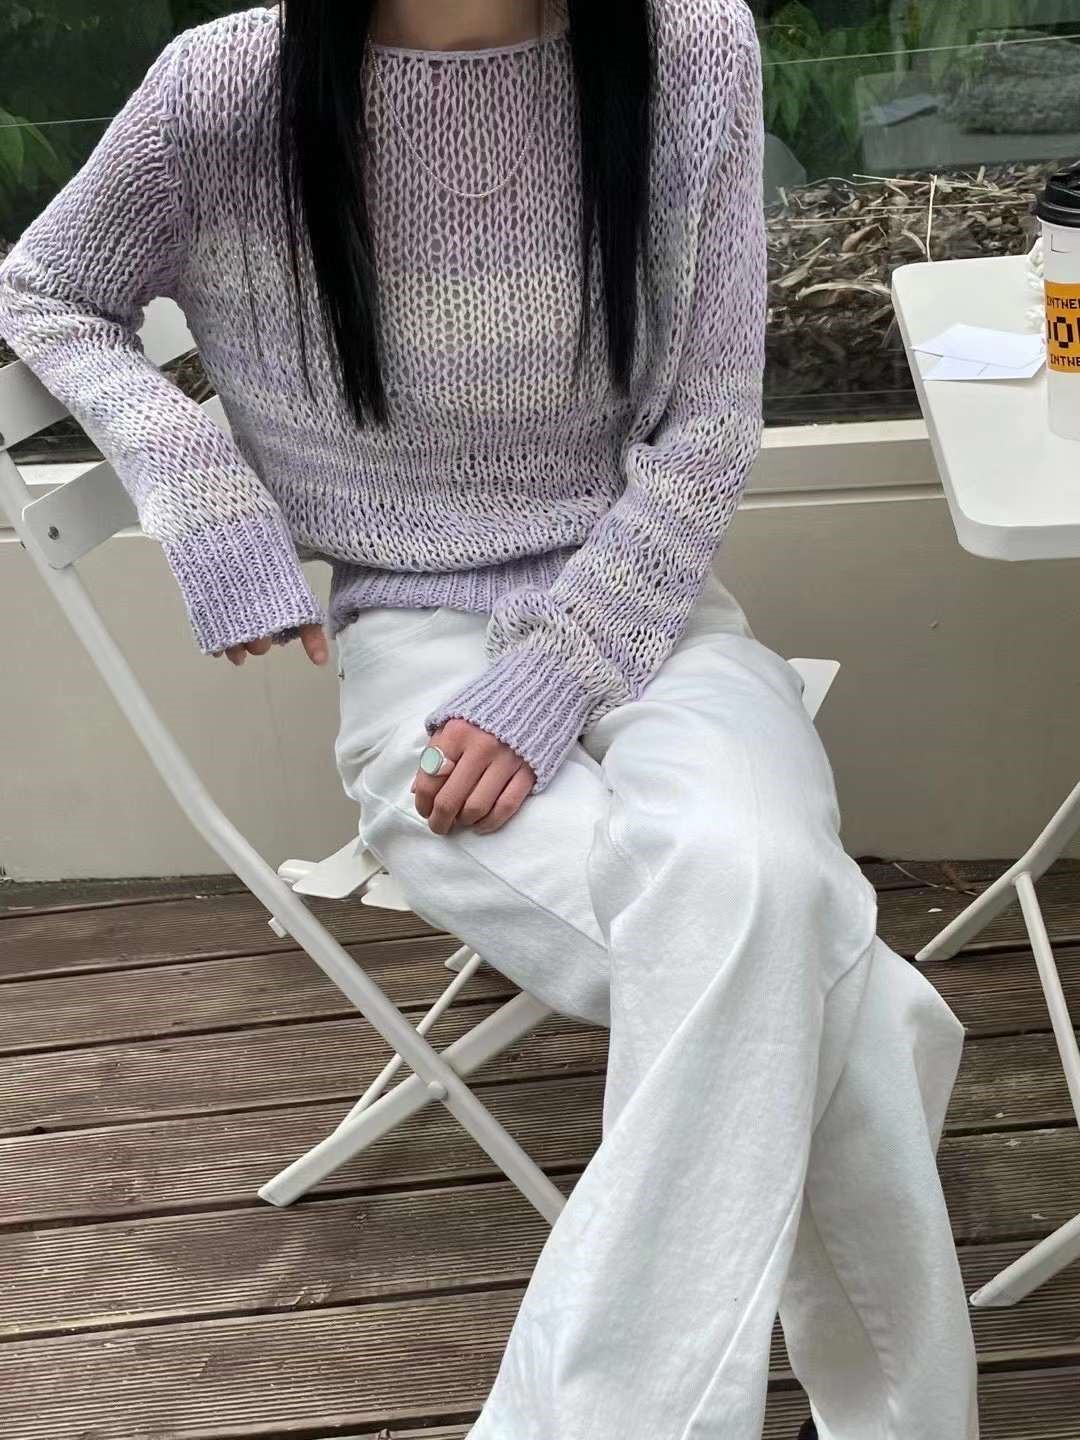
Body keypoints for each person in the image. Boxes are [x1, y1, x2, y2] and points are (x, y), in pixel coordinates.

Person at [0, 2, 979, 1435]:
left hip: (648, 607)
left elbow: (713, 419)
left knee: (762, 887)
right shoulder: (226, 87)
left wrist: (556, 675)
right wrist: (201, 486)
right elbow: (44, 294)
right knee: (845, 993)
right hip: (409, 642)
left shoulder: (692, 52)